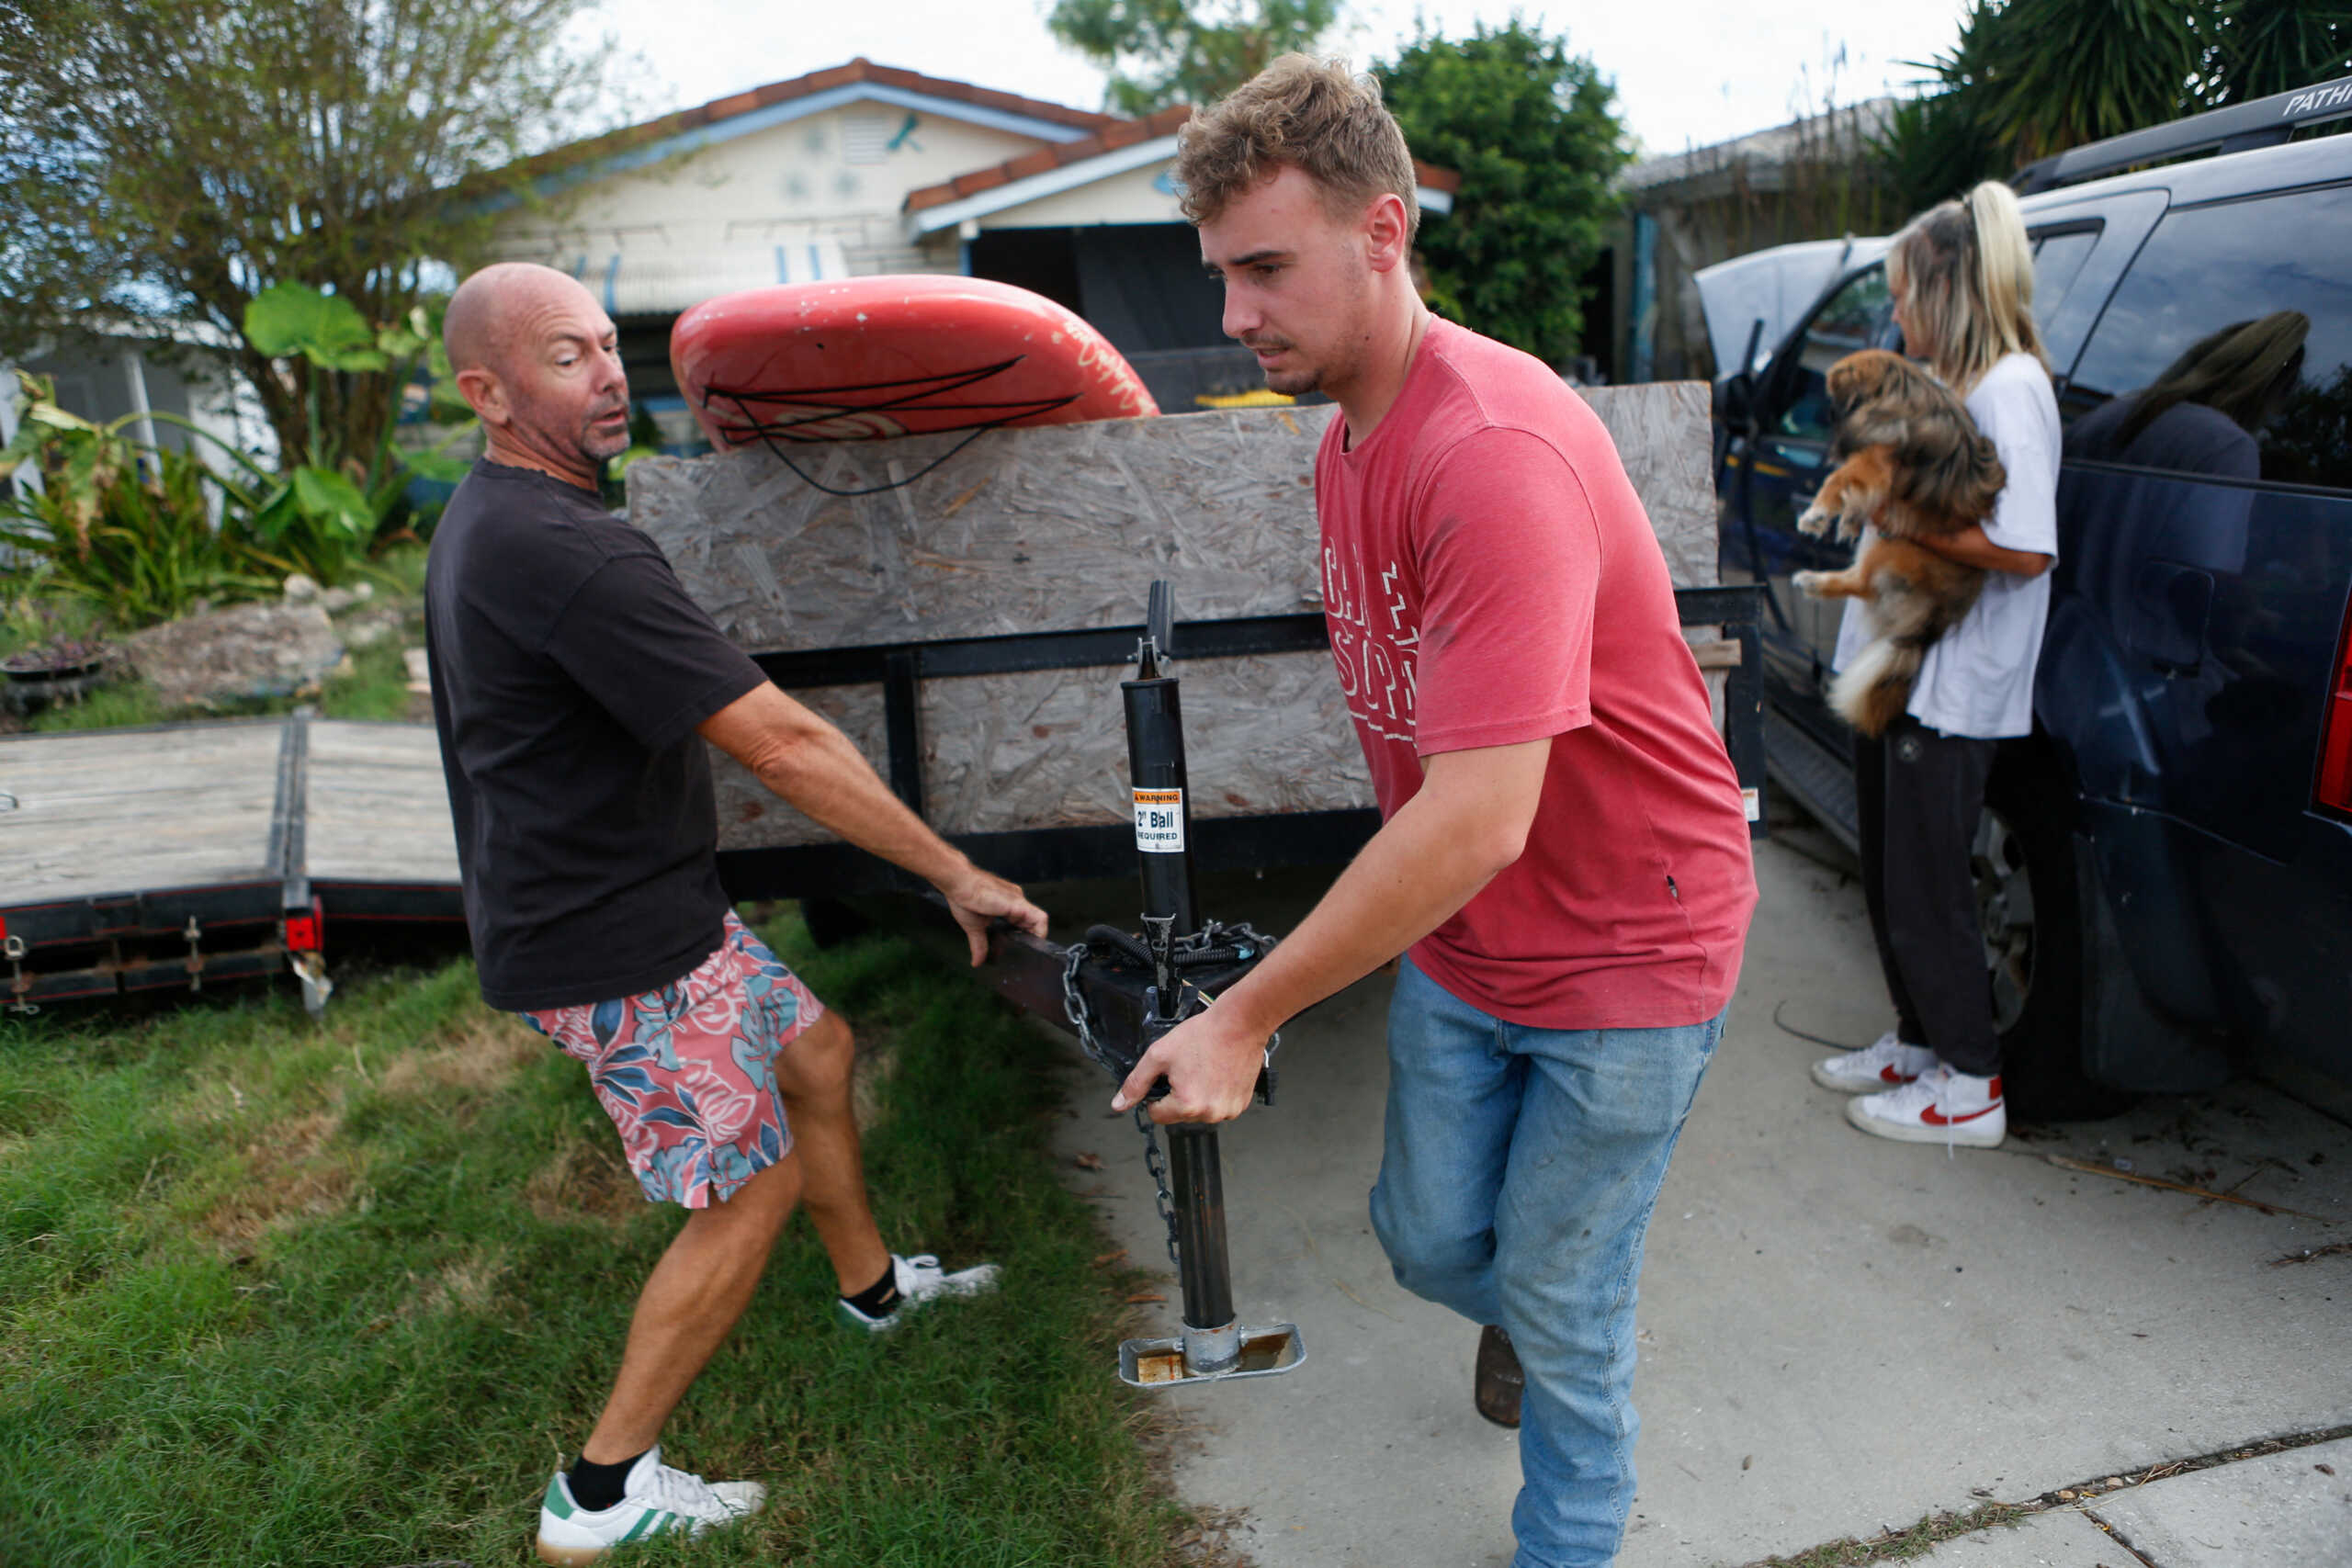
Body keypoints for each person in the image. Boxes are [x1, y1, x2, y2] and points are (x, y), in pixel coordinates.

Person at [1112, 57, 1758, 1568]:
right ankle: (1529, 1307)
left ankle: (1567, 1513)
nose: (1234, 315)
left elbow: (1476, 817)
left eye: (1265, 267)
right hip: (1472, 953)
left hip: (1627, 959)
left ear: (1384, 232)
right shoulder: (1347, 437)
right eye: (1222, 275)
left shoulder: (1493, 454)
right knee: (1429, 1242)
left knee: (1570, 1306)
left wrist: (1246, 1014)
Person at [424, 263, 1049, 1563]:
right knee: (744, 1182)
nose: (605, 375)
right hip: (614, 940)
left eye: (606, 346)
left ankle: (873, 1291)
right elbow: (780, 742)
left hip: (649, 904)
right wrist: (953, 869)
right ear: (485, 392)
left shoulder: (498, 517)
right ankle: (596, 1494)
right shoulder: (560, 548)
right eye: (562, 356)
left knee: (813, 1046)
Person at [1808, 183, 2062, 1150]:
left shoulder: (2009, 388)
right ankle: (1920, 1044)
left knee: (1927, 884)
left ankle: (1971, 1086)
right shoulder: (1957, 381)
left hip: (1951, 683)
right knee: (1888, 866)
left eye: (1906, 293)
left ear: (1949, 287)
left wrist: (1898, 518)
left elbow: (2028, 548)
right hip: (1900, 668)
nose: (1897, 315)